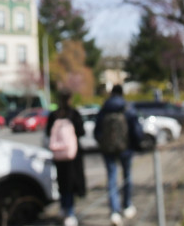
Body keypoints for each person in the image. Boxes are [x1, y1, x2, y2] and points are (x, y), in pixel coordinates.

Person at [94, 84, 144, 226]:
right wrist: (136, 144)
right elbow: (136, 129)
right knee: (127, 176)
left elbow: (97, 131)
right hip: (126, 148)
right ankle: (127, 205)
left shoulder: (104, 108)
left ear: (111, 93)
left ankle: (114, 212)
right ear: (122, 93)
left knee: (111, 178)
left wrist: (103, 143)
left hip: (108, 149)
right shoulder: (127, 108)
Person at [45, 89, 86, 226]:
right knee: (71, 184)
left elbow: (47, 133)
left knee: (62, 183)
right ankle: (70, 212)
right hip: (73, 155)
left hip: (58, 155)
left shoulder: (53, 115)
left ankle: (63, 208)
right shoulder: (73, 114)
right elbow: (81, 131)